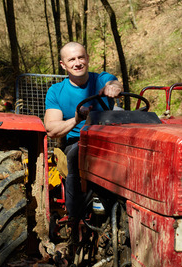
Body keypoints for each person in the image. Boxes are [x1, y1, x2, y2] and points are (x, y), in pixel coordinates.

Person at [44, 42, 123, 219]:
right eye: (71, 59)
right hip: (77, 142)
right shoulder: (56, 91)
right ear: (63, 64)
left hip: (109, 140)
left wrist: (113, 88)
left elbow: (114, 83)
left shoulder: (101, 79)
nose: (77, 63)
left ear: (87, 58)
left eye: (81, 57)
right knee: (75, 155)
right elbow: (52, 129)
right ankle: (75, 218)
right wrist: (76, 119)